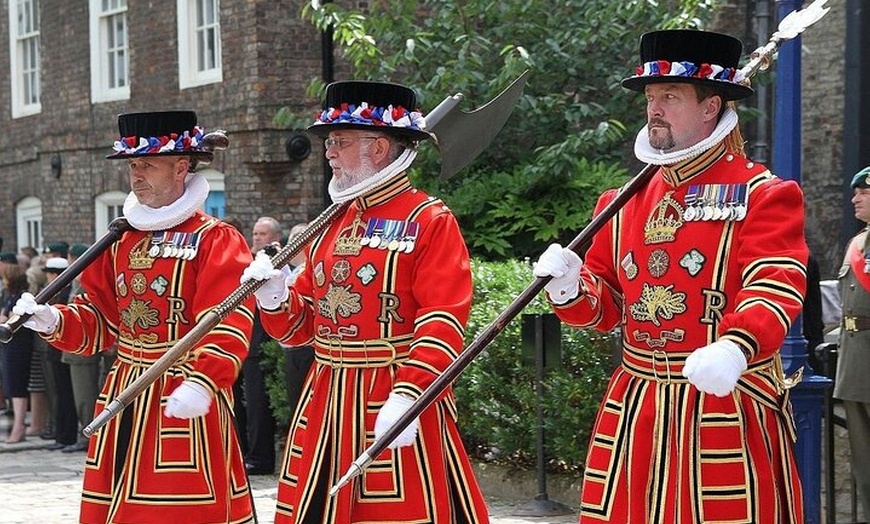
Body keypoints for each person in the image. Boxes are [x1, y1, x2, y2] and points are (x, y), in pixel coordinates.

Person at [533, 30, 808, 523]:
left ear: (711, 107)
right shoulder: (620, 202)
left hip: (725, 400)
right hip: (638, 406)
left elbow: (775, 284)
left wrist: (736, 347)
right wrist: (569, 285)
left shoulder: (762, 193)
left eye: (671, 96)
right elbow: (606, 308)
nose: (654, 109)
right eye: (651, 97)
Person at [241, 81, 490, 523]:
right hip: (326, 400)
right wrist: (276, 297)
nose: (329, 152)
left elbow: (443, 319)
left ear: (377, 147)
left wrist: (410, 393)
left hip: (393, 393)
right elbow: (301, 328)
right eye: (329, 142)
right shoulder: (332, 222)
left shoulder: (429, 220)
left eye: (340, 141)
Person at [13, 110, 257, 524]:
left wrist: (204, 381)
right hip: (124, 392)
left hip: (183, 390)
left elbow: (226, 320)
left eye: (147, 164)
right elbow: (100, 321)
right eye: (132, 166)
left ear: (181, 167)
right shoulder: (121, 239)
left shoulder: (215, 239)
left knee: (176, 509)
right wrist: (53, 320)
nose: (136, 175)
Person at [834, 165, 870, 518]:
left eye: (864, 193)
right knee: (864, 465)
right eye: (855, 193)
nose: (855, 199)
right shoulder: (856, 244)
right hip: (854, 366)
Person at [237, 216, 282, 475]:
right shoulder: (250, 262)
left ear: (275, 237)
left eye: (262, 234)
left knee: (258, 405)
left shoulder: (275, 260)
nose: (256, 238)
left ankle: (260, 457)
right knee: (242, 405)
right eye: (255, 233)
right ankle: (244, 452)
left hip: (263, 343)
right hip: (245, 342)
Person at [39, 257, 79, 452]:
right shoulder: (55, 293)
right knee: (59, 394)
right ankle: (61, 434)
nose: (47, 277)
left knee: (66, 394)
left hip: (64, 350)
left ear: (55, 274)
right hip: (55, 350)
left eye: (49, 273)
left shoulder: (64, 293)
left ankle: (67, 435)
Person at [0, 264, 35, 443]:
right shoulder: (11, 296)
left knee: (17, 386)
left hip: (18, 347)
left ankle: (19, 426)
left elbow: (13, 321)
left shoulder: (21, 298)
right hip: (9, 347)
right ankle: (16, 425)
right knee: (11, 386)